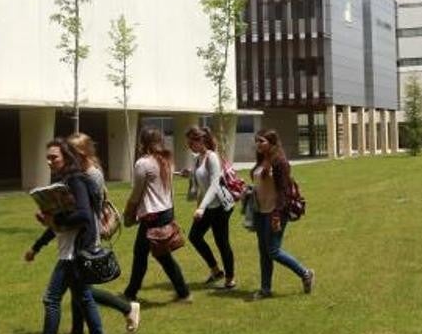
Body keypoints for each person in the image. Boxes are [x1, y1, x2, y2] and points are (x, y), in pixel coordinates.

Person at [15, 138, 110, 334]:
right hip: (71, 248)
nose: (49, 161)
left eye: (54, 157)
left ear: (66, 157)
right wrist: (38, 243)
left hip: (74, 253)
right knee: (85, 298)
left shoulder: (76, 180)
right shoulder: (67, 181)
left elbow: (85, 216)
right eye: (47, 157)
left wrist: (55, 219)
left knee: (51, 299)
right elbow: (61, 221)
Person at [56, 132, 141, 334]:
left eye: (71, 152)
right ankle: (77, 332)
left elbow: (90, 208)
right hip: (77, 233)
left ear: (82, 153)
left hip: (87, 235)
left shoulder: (92, 174)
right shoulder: (76, 174)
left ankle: (127, 308)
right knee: (78, 285)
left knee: (82, 287)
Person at [120, 127, 192, 304]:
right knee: (148, 253)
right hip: (166, 212)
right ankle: (131, 292)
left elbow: (137, 193)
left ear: (142, 143)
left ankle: (182, 293)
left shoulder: (143, 163)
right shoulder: (167, 160)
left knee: (157, 255)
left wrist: (128, 212)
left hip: (153, 216)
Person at [247, 129, 314, 299]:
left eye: (261, 141)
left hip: (275, 211)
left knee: (273, 250)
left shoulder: (280, 162)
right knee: (263, 251)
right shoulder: (262, 160)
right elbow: (260, 184)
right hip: (260, 211)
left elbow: (284, 192)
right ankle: (265, 289)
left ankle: (305, 273)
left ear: (272, 142)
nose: (258, 144)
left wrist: (277, 214)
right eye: (257, 141)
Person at [177, 126, 236, 290]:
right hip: (207, 206)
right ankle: (216, 270)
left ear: (201, 140)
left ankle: (230, 278)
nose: (189, 146)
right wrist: (189, 173)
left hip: (219, 207)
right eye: (188, 142)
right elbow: (201, 176)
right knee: (195, 237)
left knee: (221, 242)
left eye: (191, 142)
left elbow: (214, 185)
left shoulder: (212, 157)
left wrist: (201, 208)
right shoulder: (199, 158)